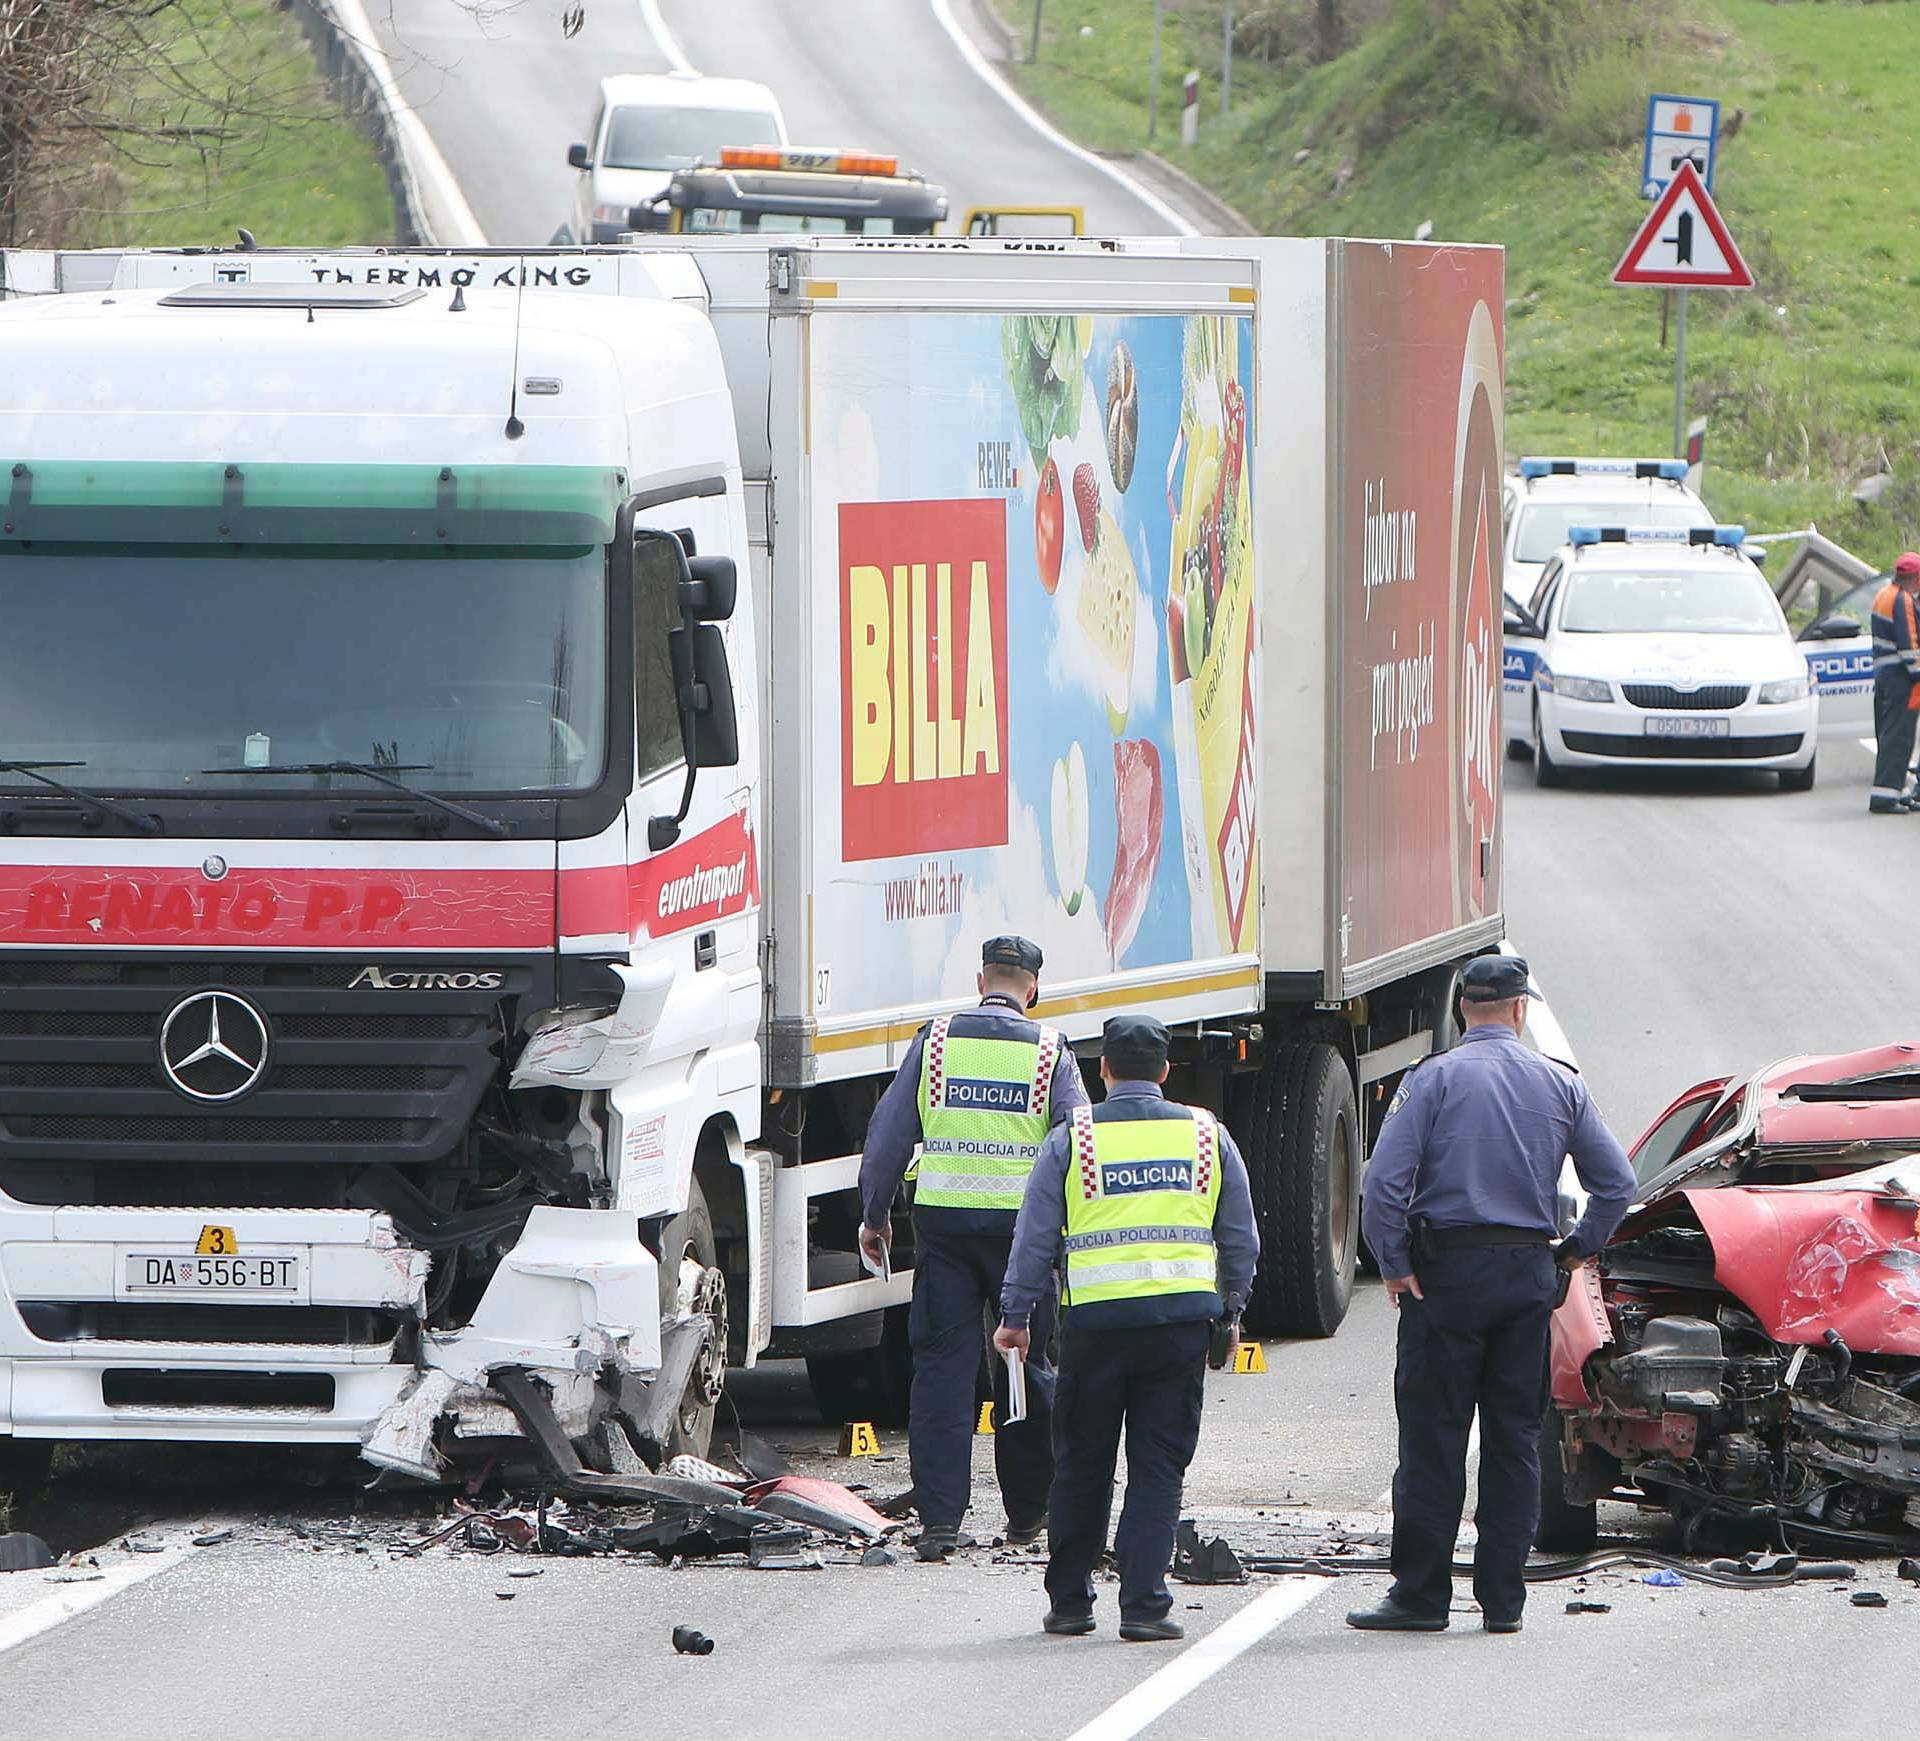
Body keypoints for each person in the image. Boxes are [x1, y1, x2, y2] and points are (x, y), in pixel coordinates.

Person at [1347, 955, 1635, 1635]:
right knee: (1513, 1439)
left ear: (1461, 1011)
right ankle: (1503, 1598)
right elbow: (1616, 1182)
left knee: (1433, 1437)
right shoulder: (1559, 1083)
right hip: (1525, 1277)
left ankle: (1421, 1593)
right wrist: (1573, 1249)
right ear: (1519, 1010)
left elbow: (1383, 1184)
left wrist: (1393, 1263)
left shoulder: (1432, 1080)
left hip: (1444, 1277)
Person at [994, 1014, 1258, 1643]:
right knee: (1158, 1467)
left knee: (1083, 1463)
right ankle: (1144, 1606)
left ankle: (1070, 1603)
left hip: (1096, 1328)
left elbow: (1033, 1238)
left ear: (1103, 1070)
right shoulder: (1206, 1135)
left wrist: (1015, 1318)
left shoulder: (1074, 1138)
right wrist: (1232, 1309)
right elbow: (1240, 1238)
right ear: (1166, 1072)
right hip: (1179, 1329)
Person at [858, 935, 1087, 1561]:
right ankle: (1027, 1512)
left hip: (945, 1231)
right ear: (1032, 988)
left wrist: (873, 1215)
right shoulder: (1051, 1051)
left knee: (942, 1372)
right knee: (1024, 1370)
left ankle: (939, 1521)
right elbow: (1077, 1144)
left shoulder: (934, 1042)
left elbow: (888, 1137)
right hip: (1024, 1241)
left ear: (980, 978)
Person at [1869, 552, 1920, 815]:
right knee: (1899, 739)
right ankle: (1886, 797)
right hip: (1902, 680)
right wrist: (1918, 674)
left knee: (1889, 736)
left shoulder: (1883, 594)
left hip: (1886, 677)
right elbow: (1909, 646)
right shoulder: (1903, 600)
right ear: (1914, 577)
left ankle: (1892, 792)